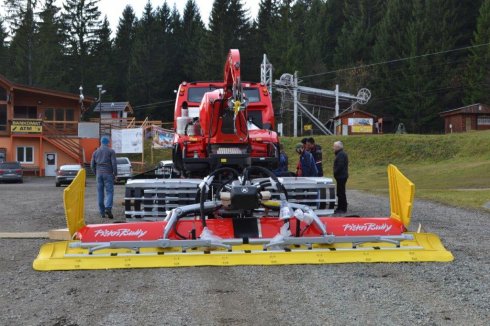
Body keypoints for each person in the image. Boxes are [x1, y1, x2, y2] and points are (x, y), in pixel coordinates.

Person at [91, 136, 118, 219]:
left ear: (101, 142)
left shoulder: (95, 152)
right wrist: (115, 174)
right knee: (109, 192)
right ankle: (108, 208)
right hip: (108, 174)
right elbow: (114, 163)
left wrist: (96, 173)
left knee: (100, 193)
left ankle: (102, 213)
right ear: (108, 142)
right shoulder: (111, 151)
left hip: (99, 174)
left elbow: (92, 165)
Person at [333, 141, 349, 214]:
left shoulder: (341, 155)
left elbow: (340, 166)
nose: (333, 148)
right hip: (341, 176)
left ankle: (342, 208)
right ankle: (340, 207)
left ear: (338, 147)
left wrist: (335, 172)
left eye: (334, 146)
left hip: (341, 176)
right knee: (339, 192)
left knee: (341, 192)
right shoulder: (340, 154)